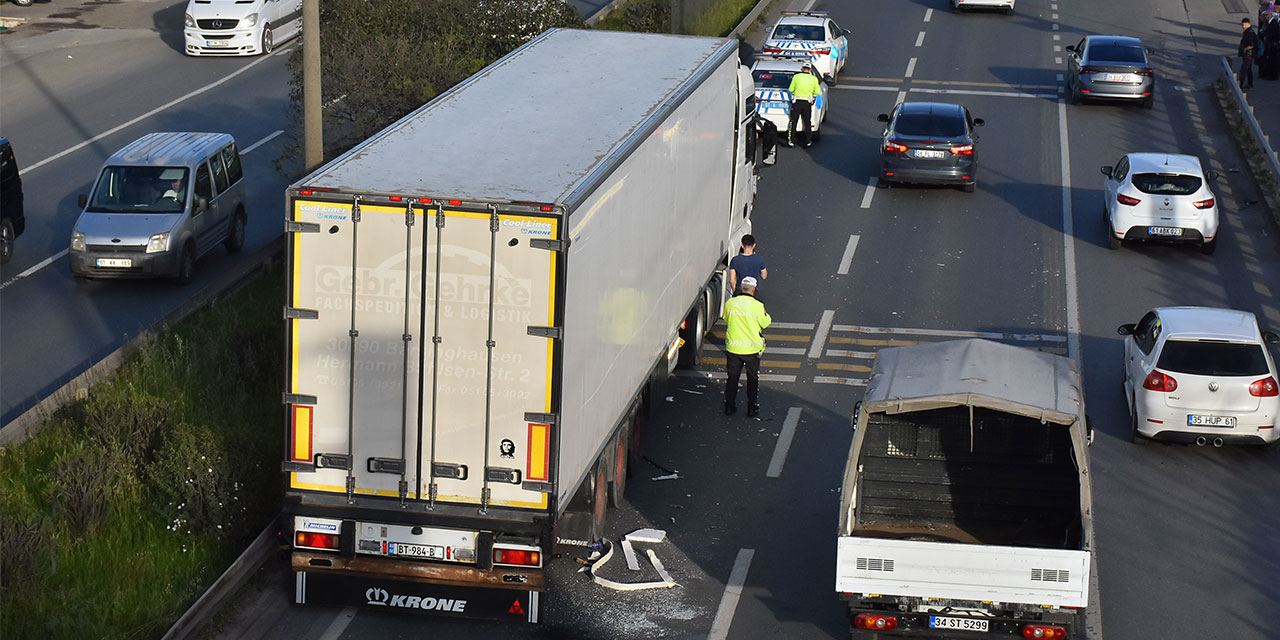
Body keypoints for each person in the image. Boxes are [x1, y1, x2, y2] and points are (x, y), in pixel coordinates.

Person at [723, 276, 770, 417]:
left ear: (741, 288)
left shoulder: (730, 303)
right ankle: (751, 407)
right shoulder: (757, 306)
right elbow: (766, 322)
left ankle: (729, 406)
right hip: (751, 349)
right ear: (753, 289)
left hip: (733, 348)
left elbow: (726, 318)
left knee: (732, 378)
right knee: (752, 379)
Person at [786, 62, 821, 148]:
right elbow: (817, 91)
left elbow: (791, 89)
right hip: (807, 103)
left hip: (797, 102)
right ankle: (808, 140)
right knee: (807, 122)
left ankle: (791, 140)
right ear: (810, 70)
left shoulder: (796, 77)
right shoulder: (814, 79)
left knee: (793, 121)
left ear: (802, 68)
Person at [1239, 18, 1259, 90]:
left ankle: (1240, 86)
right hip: (1249, 54)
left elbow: (1251, 45)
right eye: (1243, 25)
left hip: (1248, 54)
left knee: (1243, 70)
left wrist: (1244, 49)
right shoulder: (1249, 32)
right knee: (1248, 70)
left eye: (1245, 25)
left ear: (1249, 24)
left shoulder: (1250, 33)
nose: (1244, 26)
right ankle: (1250, 84)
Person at [1261, 11, 1280, 80]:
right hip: (1268, 44)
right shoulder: (1267, 23)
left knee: (1273, 60)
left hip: (1273, 44)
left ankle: (1273, 75)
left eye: (1267, 15)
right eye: (1265, 15)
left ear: (1271, 15)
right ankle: (1268, 74)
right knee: (1269, 59)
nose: (1266, 16)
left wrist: (1266, 36)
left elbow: (1274, 33)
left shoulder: (1274, 23)